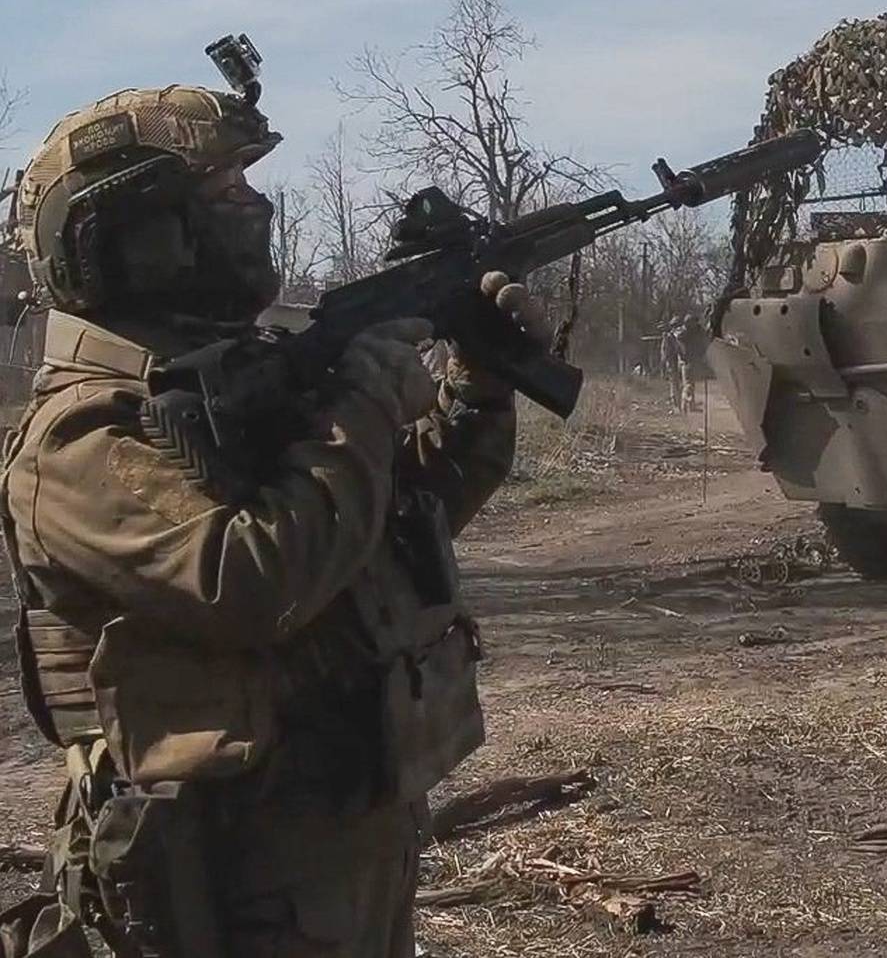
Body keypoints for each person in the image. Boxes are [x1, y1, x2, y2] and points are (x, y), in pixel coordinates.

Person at [0, 83, 547, 957]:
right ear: (139, 237)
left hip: (338, 843)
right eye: (222, 192)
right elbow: (252, 578)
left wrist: (479, 386)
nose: (255, 208)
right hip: (224, 885)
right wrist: (365, 398)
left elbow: (384, 514)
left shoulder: (231, 381)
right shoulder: (82, 435)